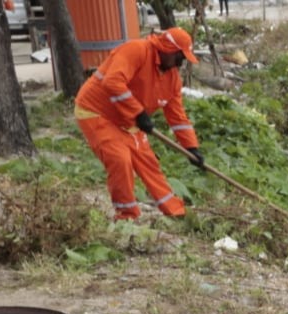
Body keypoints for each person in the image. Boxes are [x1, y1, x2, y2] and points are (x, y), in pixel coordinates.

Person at [74, 28, 205, 221]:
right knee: (120, 160)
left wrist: (192, 147)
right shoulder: (136, 50)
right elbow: (113, 82)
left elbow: (178, 117)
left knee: (149, 163)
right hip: (97, 112)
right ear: (168, 49)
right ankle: (126, 216)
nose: (181, 62)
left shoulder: (172, 79)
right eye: (179, 56)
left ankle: (175, 211)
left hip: (127, 120)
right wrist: (138, 112)